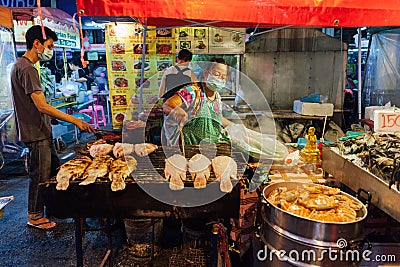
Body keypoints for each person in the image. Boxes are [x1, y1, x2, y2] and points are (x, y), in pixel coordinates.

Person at [10, 25, 95, 230]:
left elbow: (34, 105)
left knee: (53, 172)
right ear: (36, 43)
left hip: (40, 130)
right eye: (49, 45)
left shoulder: (20, 65)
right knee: (40, 175)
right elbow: (41, 105)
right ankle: (35, 215)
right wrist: (75, 120)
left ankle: (55, 209)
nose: (51, 50)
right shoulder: (28, 68)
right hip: (36, 132)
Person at [163, 57, 231, 145]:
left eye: (223, 77)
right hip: (188, 147)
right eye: (216, 74)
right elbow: (167, 105)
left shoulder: (217, 97)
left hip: (208, 148)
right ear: (206, 73)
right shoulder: (193, 91)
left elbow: (215, 117)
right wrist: (176, 110)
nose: (219, 79)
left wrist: (234, 126)